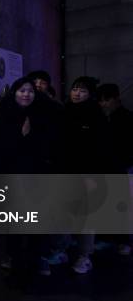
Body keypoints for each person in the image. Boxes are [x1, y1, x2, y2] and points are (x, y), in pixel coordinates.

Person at [0, 77, 59, 276]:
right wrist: (21, 135)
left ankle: (39, 257)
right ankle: (13, 256)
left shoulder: (43, 116)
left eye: (30, 91)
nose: (26, 94)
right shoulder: (4, 118)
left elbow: (48, 147)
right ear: (14, 93)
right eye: (22, 90)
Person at [61, 76, 108, 273]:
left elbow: (101, 147)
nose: (77, 93)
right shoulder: (64, 111)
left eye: (82, 91)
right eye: (74, 89)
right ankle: (62, 249)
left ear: (90, 94)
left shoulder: (96, 114)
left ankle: (84, 256)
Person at [97, 84, 133, 255]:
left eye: (106, 100)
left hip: (119, 167)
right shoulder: (104, 118)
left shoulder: (125, 118)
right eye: (101, 100)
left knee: (120, 204)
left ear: (115, 99)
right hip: (106, 166)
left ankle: (123, 240)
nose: (103, 104)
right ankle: (110, 238)